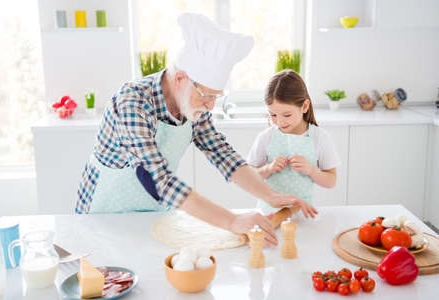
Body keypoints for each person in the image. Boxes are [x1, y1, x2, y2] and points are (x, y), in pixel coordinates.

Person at [76, 14, 317, 247]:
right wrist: (232, 220)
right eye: (207, 95)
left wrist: (269, 195)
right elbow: (158, 181)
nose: (211, 105)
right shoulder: (133, 101)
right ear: (180, 79)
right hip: (104, 215)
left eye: (216, 97)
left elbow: (222, 153)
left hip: (154, 212)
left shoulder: (191, 104)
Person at [247, 70, 341, 215]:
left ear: (304, 106)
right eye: (273, 115)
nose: (279, 121)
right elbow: (249, 177)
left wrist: (311, 171)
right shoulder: (266, 137)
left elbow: (331, 181)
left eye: (287, 115)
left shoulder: (319, 137)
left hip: (302, 214)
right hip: (267, 214)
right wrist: (268, 169)